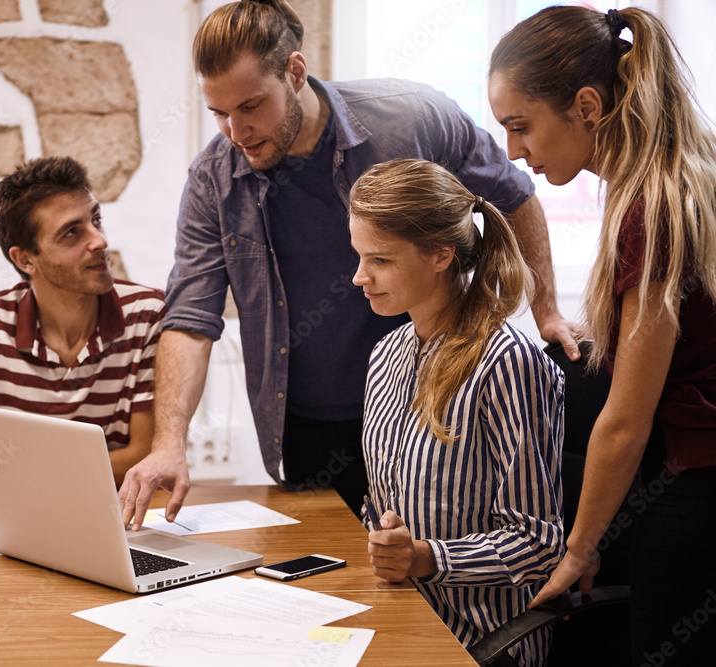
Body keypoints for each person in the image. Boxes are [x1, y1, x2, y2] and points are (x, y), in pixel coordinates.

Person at [119, 0, 577, 526]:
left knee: (427, 572)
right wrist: (169, 442)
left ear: (294, 72)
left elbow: (514, 197)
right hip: (303, 425)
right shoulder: (213, 180)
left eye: (250, 106)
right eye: (219, 113)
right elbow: (190, 320)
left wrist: (546, 312)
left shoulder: (410, 119)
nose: (235, 132)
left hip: (430, 412)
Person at [488, 7, 716, 665]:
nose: (513, 152)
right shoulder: (682, 175)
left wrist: (578, 547)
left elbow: (625, 421)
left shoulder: (650, 207)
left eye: (521, 126)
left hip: (692, 490)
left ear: (587, 105)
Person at [352, 158, 564, 667]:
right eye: (359, 255)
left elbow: (538, 542)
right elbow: (382, 502)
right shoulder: (387, 354)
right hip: (400, 608)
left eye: (379, 259)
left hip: (480, 639)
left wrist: (425, 558)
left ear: (441, 254)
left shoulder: (508, 363)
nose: (360, 276)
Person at [0, 157, 165, 513]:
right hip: (6, 524)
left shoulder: (147, 315)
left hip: (102, 516)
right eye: (72, 232)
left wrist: (11, 479)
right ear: (26, 260)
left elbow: (147, 456)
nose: (100, 241)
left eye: (96, 220)